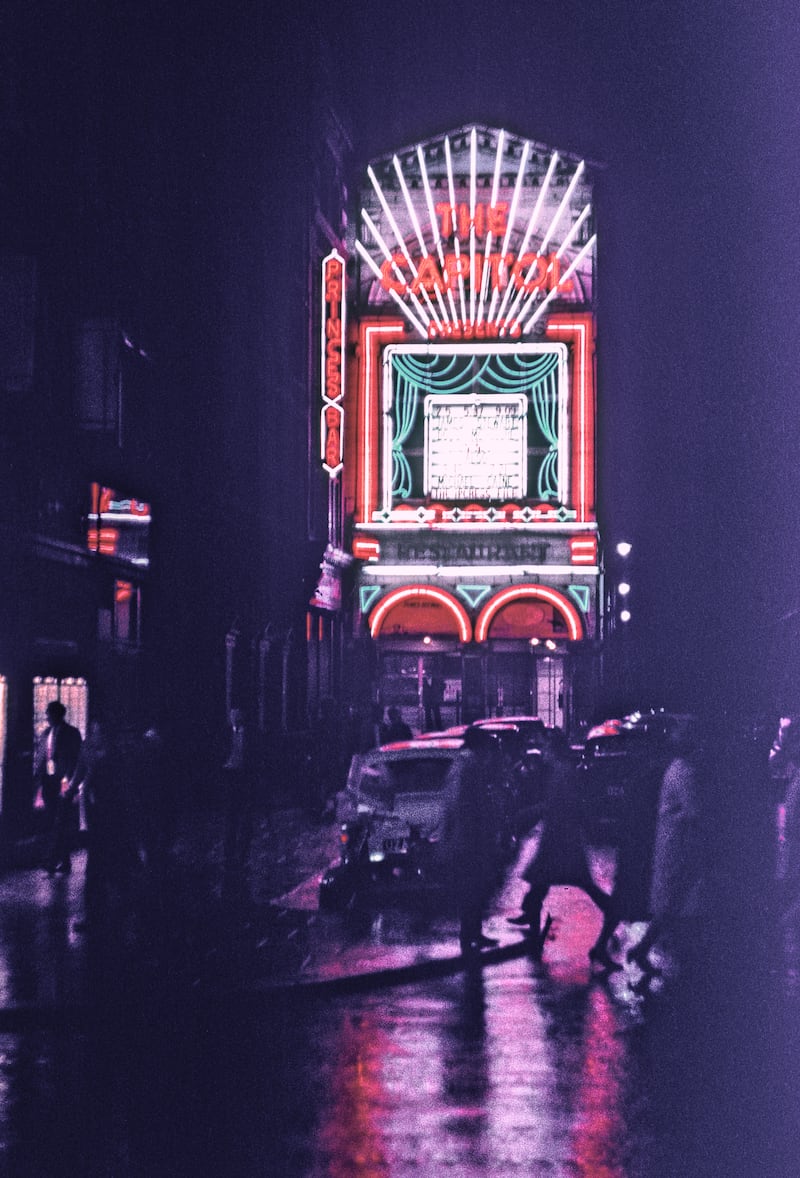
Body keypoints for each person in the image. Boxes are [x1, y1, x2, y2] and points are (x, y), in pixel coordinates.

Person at [508, 728, 613, 964]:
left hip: (561, 842)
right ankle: (533, 931)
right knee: (540, 884)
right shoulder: (561, 771)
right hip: (560, 841)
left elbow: (558, 806)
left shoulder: (561, 773)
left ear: (553, 750)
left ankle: (612, 911)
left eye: (545, 748)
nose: (542, 753)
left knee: (554, 883)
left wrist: (529, 814)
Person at [626, 715, 705, 973]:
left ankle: (645, 949)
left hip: (674, 844)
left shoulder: (676, 768)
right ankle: (681, 957)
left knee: (672, 902)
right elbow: (695, 811)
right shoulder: (684, 771)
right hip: (679, 846)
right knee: (677, 901)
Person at [439, 726, 499, 954]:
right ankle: (470, 936)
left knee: (474, 888)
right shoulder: (469, 765)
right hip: (469, 840)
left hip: (465, 838)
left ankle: (473, 933)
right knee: (474, 888)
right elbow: (466, 806)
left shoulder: (462, 763)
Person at [33, 700, 83, 875]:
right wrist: (39, 781)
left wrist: (69, 781)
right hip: (48, 781)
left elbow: (76, 759)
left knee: (59, 821)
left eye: (49, 713)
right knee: (54, 822)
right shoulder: (46, 733)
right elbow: (41, 757)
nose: (47, 717)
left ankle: (51, 860)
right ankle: (64, 860)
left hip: (63, 783)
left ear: (58, 714)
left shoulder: (71, 733)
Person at [222, 706, 255, 898]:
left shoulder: (250, 734)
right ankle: (228, 854)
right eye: (232, 714)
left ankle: (241, 854)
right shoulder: (226, 734)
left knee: (246, 818)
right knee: (230, 817)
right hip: (230, 776)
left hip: (245, 777)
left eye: (237, 714)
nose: (234, 718)